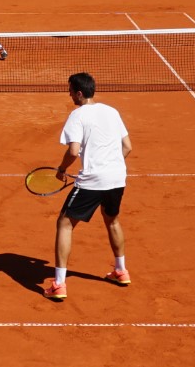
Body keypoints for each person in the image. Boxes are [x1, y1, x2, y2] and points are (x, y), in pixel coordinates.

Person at [43, 71, 132, 302]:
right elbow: (127, 147)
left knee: (64, 224)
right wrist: (109, 167)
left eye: (70, 91)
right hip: (117, 177)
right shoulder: (112, 112)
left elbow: (73, 151)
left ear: (79, 93)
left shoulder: (77, 115)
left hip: (92, 181)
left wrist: (61, 170)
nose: (69, 94)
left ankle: (59, 285)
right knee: (112, 220)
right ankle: (121, 271)